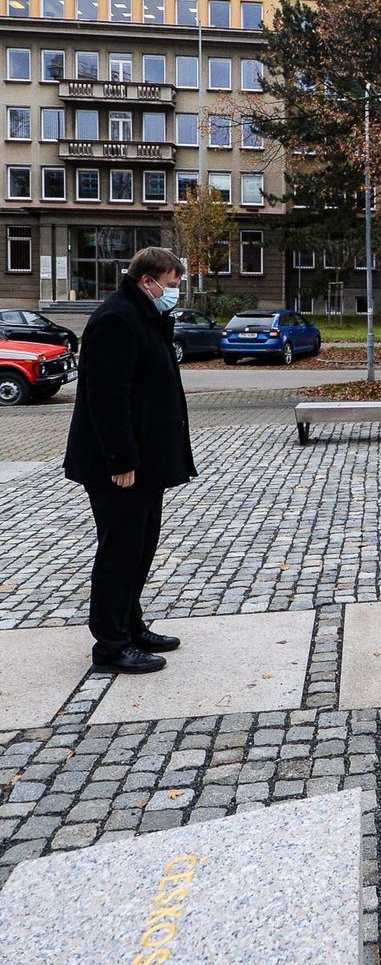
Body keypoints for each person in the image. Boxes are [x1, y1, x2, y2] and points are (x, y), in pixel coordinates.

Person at [64, 246, 197, 673]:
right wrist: (120, 460)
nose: (175, 292)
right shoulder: (116, 319)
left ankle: (131, 624)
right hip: (118, 466)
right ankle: (110, 645)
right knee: (120, 551)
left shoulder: (144, 315)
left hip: (144, 463)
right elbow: (107, 399)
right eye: (172, 285)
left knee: (140, 547)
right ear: (148, 281)